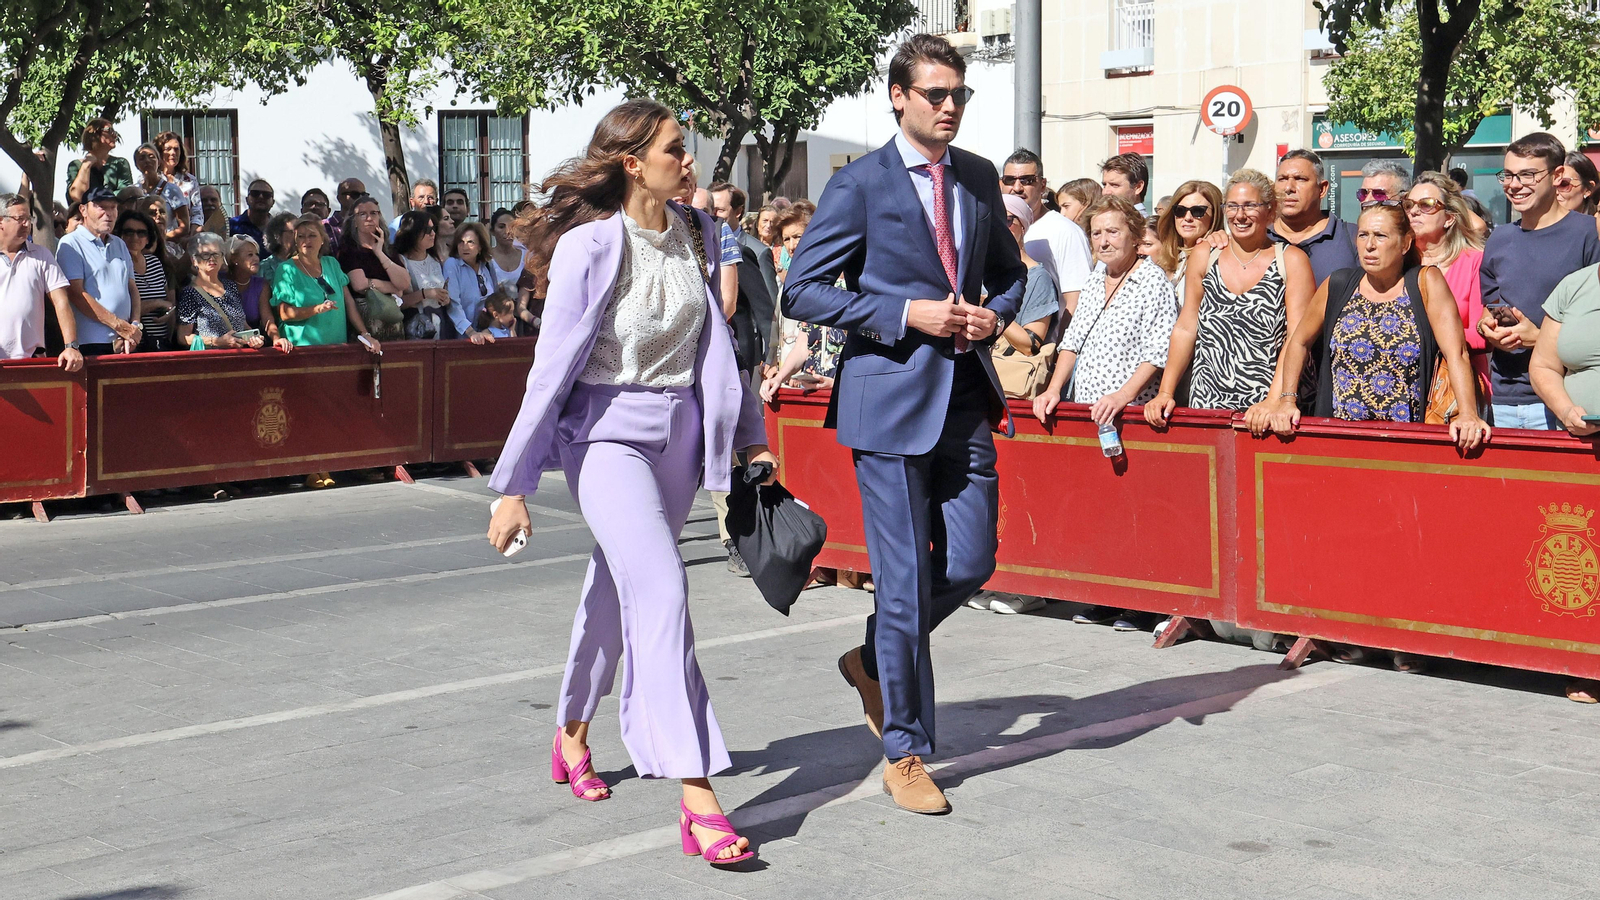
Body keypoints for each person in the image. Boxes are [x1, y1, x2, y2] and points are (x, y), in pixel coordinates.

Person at [485, 98, 772, 867]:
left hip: (681, 437)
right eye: (677, 149)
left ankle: (572, 732)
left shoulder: (700, 234)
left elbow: (723, 348)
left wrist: (751, 441)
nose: (691, 159)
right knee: (665, 589)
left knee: (618, 589)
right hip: (606, 438)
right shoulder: (588, 247)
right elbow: (550, 373)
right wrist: (512, 485)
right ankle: (697, 792)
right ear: (631, 162)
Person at [783, 33, 1025, 816]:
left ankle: (871, 661)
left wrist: (994, 316)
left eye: (960, 95)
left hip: (963, 399)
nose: (950, 107)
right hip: (886, 404)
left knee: (971, 562)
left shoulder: (980, 178)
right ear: (899, 97)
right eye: (936, 94)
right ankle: (907, 749)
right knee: (900, 584)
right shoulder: (860, 185)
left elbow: (1015, 281)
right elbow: (803, 291)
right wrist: (901, 312)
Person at [1034, 196, 1177, 631]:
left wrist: (1122, 395)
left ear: (1136, 238)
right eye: (1096, 232)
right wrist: (1054, 389)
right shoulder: (1096, 278)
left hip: (1130, 414)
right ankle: (1104, 595)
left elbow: (1159, 349)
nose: (1102, 240)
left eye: (1113, 231)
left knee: (1138, 509)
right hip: (1088, 413)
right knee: (1099, 509)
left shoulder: (1152, 281)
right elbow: (1072, 340)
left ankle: (1140, 602)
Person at [1246, 203, 1489, 448]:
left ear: (1405, 244)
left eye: (1381, 236)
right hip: (1341, 437)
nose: (1369, 245)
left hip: (1406, 439)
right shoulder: (1339, 284)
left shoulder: (1425, 282)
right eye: (1363, 235)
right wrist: (1287, 400)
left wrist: (1468, 413)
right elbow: (1299, 341)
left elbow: (1456, 353)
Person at [1149, 169, 1314, 423]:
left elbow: (1296, 337)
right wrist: (1165, 392)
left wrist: (1274, 400)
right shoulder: (1206, 255)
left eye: (1250, 206)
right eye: (1233, 206)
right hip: (1208, 401)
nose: (1240, 215)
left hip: (1267, 407)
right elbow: (1186, 326)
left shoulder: (1291, 260)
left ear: (1270, 211)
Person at [1480, 133, 1600, 430]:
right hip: (1505, 396)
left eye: (1528, 175)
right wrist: (1488, 329)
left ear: (1558, 175)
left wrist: (1538, 339)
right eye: (1507, 174)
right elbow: (1491, 305)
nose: (1514, 184)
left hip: (1566, 403)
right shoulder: (1499, 239)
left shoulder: (1589, 234)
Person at [1528, 259, 1600, 702]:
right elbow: (1544, 365)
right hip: (1581, 445)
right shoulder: (1575, 286)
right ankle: (1591, 661)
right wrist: (1566, 410)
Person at [273, 214, 383, 488]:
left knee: (331, 409)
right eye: (301, 236)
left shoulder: (332, 264)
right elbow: (285, 314)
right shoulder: (286, 269)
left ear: (322, 239)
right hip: (304, 351)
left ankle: (328, 464)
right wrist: (316, 310)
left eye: (312, 235)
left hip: (334, 348)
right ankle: (311, 467)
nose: (306, 241)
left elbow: (347, 300)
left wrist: (364, 334)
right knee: (307, 411)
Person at [1407, 172, 1489, 387]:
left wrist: (1420, 337)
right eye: (1409, 204)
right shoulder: (1398, 262)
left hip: (1455, 387)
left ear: (1449, 217)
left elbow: (1482, 336)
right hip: (1402, 384)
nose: (1414, 211)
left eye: (1426, 205)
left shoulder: (1474, 262)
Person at [1003, 148, 1091, 315]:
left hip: (1047, 338)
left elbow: (1077, 300)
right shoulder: (991, 229)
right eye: (1009, 180)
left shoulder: (1065, 231)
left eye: (1027, 180)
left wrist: (1060, 341)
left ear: (1042, 185)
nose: (1017, 187)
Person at [0, 193, 80, 369]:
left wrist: (71, 346)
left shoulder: (42, 255)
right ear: (1, 221)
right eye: (19, 218)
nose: (27, 224)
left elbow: (61, 302)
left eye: (29, 218)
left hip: (32, 359)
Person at [58, 187, 141, 356]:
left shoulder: (119, 244)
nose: (108, 213)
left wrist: (135, 326)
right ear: (83, 210)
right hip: (92, 343)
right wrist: (120, 326)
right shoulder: (71, 243)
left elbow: (132, 288)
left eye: (113, 207)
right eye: (101, 207)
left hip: (126, 341)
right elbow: (76, 293)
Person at [1268, 149, 1359, 286]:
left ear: (1322, 189)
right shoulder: (1259, 238)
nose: (1288, 188)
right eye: (1282, 179)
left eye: (1300, 179)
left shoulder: (1353, 237)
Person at [338, 194, 412, 341]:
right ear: (354, 221)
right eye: (362, 214)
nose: (369, 218)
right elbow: (359, 285)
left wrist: (379, 252)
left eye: (373, 213)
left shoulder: (389, 250)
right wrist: (392, 287)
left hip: (392, 319)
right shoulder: (349, 251)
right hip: (366, 320)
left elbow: (404, 284)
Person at [177, 232, 263, 350]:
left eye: (216, 254)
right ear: (194, 260)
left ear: (223, 258)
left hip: (238, 360)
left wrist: (253, 338)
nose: (212, 258)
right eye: (206, 254)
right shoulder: (190, 293)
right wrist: (217, 341)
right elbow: (183, 337)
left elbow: (242, 323)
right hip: (211, 361)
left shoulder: (230, 286)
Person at [115, 210, 176, 353]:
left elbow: (169, 301)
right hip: (133, 345)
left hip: (161, 343)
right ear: (119, 235)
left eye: (141, 233)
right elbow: (122, 310)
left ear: (148, 238)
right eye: (128, 232)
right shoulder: (116, 266)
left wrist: (169, 311)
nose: (134, 237)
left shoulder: (155, 262)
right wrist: (157, 303)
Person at [1149, 179, 1223, 284]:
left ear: (1215, 215)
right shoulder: (1169, 256)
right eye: (1180, 210)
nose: (1188, 218)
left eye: (1198, 211)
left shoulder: (1217, 256)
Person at [395, 210, 449, 339]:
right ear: (413, 232)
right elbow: (397, 303)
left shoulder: (436, 260)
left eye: (434, 229)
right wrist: (426, 293)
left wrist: (445, 299)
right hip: (417, 330)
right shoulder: (402, 262)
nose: (433, 234)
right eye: (427, 230)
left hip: (440, 326)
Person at [443, 221, 499, 344]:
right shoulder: (452, 265)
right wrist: (471, 332)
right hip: (462, 337)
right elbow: (453, 305)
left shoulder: (488, 265)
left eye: (470, 242)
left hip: (489, 335)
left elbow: (496, 298)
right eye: (461, 242)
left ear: (480, 247)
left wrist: (490, 329)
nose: (465, 247)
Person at [224, 235, 284, 347]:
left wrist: (276, 339)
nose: (256, 258)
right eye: (250, 255)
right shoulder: (220, 281)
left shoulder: (261, 284)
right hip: (224, 345)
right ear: (234, 259)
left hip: (252, 344)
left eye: (256, 254)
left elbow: (267, 319)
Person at [132, 142, 190, 244]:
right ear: (136, 164)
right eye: (142, 158)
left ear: (159, 162)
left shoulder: (172, 190)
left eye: (151, 157)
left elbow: (184, 226)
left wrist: (162, 238)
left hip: (166, 244)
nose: (147, 161)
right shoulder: (135, 191)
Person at [65, 119, 133, 206]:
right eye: (109, 130)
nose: (115, 135)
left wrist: (96, 198)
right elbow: (77, 196)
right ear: (94, 134)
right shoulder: (76, 165)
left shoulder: (120, 163)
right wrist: (87, 165)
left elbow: (127, 195)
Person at [153, 131, 204, 230]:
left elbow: (197, 212)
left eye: (176, 149)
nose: (173, 153)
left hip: (185, 238)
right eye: (168, 149)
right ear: (159, 152)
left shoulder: (190, 181)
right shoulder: (152, 180)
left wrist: (191, 235)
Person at [488, 208, 527, 290]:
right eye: (501, 227)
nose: (507, 231)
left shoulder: (527, 256)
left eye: (511, 226)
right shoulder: (486, 258)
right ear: (492, 231)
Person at [230, 180, 276, 247]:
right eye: (255, 193)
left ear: (273, 202)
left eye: (266, 195)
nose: (261, 197)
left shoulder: (280, 229)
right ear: (247, 200)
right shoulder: (231, 226)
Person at [259, 212, 299, 288]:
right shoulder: (264, 267)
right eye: (293, 232)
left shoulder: (307, 264)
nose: (298, 236)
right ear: (277, 236)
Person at [326, 178, 366, 246]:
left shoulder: (370, 225)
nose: (360, 199)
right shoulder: (324, 226)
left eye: (364, 195)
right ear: (339, 198)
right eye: (355, 194)